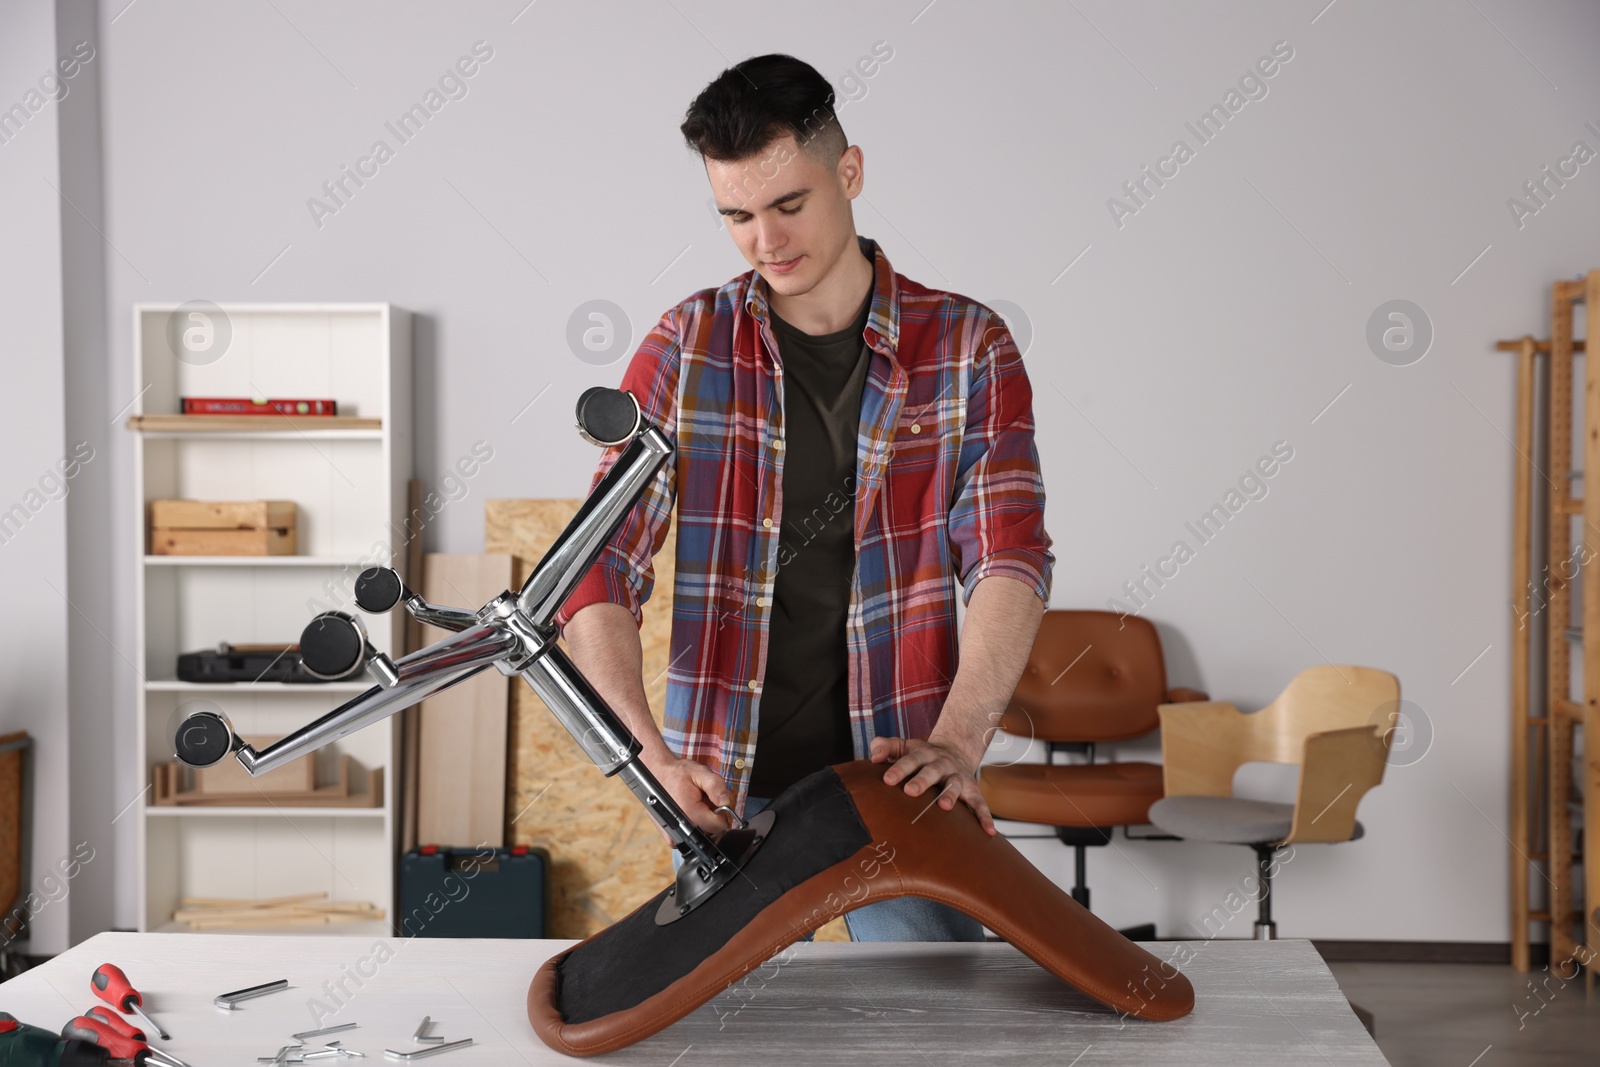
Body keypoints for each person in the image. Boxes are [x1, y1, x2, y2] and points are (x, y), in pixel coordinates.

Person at [555, 53, 1053, 941]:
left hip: (899, 776)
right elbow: (598, 570)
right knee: (731, 1035)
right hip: (721, 784)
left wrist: (961, 741)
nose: (766, 240)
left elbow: (1010, 555)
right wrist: (652, 759)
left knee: (926, 1023)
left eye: (790, 204)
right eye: (737, 216)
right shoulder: (685, 347)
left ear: (849, 172)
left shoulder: (970, 346)